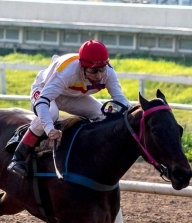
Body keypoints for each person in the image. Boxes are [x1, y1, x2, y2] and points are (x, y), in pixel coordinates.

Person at [8, 39, 129, 177]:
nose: (99, 75)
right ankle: (18, 156)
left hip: (72, 95)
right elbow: (43, 101)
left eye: (102, 69)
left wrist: (136, 112)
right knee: (52, 114)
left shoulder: (108, 72)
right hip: (44, 90)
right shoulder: (67, 71)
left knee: (101, 114)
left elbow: (121, 100)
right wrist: (49, 129)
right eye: (94, 71)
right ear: (82, 66)